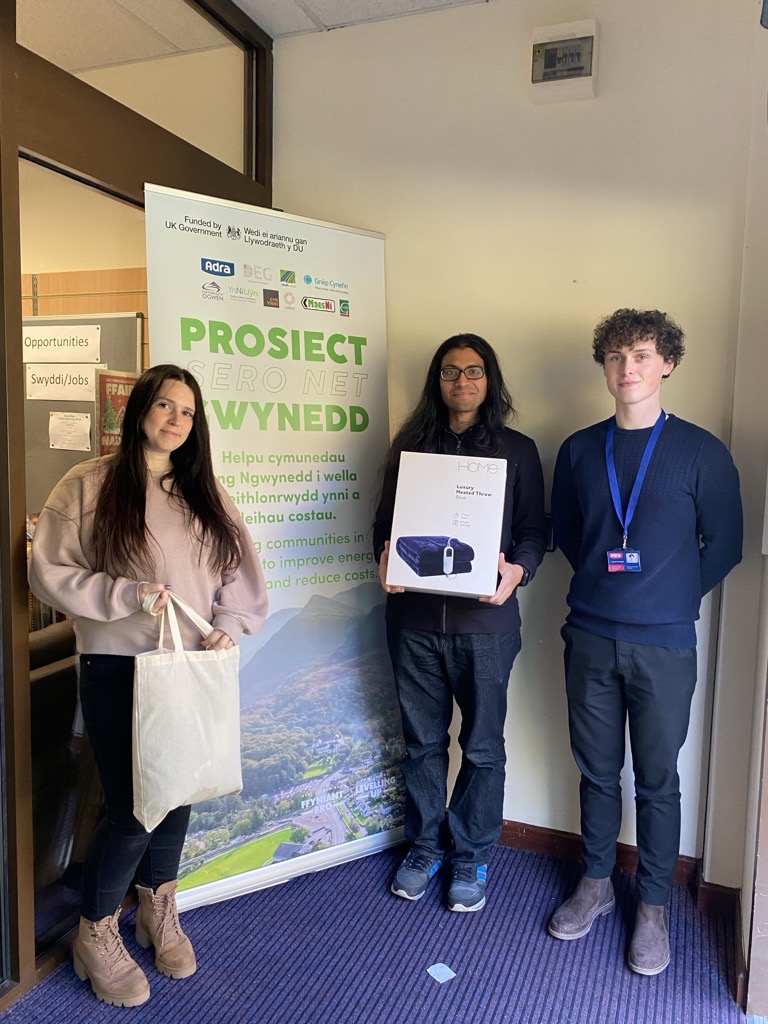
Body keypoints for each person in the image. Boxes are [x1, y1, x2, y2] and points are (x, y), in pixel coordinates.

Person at [29, 364, 268, 1007]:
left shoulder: (204, 492)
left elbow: (238, 579)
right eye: (165, 405)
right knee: (135, 806)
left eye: (188, 412)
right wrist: (121, 594)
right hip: (117, 665)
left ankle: (156, 905)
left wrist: (227, 626)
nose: (175, 419)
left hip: (189, 666)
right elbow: (47, 572)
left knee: (181, 790)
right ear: (141, 409)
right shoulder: (87, 484)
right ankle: (95, 932)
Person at [548, 309, 742, 975]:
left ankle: (652, 905)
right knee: (598, 771)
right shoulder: (578, 449)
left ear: (667, 364)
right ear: (603, 368)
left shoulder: (701, 452)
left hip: (664, 645)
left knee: (658, 781)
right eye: (614, 357)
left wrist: (672, 596)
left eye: (640, 355)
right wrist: (615, 591)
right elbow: (570, 537)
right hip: (591, 636)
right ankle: (596, 884)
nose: (626, 368)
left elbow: (727, 544)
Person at [373, 333, 547, 912]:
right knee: (421, 743)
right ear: (437, 381)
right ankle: (424, 845)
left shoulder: (517, 450)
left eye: (474, 372)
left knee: (481, 746)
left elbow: (533, 532)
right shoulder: (408, 448)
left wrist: (517, 570)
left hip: (487, 626)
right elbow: (384, 527)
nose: (463, 382)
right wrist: (383, 556)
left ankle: (470, 852)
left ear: (489, 380)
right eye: (451, 372)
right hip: (414, 620)